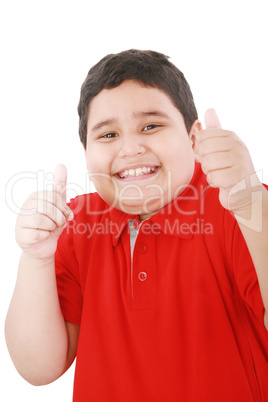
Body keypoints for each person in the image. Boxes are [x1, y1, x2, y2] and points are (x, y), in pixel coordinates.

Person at [5, 49, 268, 401]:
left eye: (151, 126)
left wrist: (251, 202)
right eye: (108, 135)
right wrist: (35, 258)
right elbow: (38, 369)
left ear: (193, 138)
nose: (130, 148)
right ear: (85, 152)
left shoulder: (238, 205)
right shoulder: (74, 225)